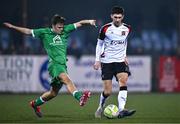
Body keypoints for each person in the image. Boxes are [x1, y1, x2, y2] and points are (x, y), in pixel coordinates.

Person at [4, 14, 96, 118]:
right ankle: (80, 97)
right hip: (54, 65)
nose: (61, 29)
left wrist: (89, 21)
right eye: (59, 27)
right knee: (66, 79)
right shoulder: (44, 32)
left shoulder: (65, 30)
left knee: (53, 93)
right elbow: (28, 31)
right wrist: (13, 27)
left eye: (62, 26)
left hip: (62, 65)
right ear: (53, 26)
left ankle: (35, 104)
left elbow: (79, 23)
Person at [93, 6, 136, 118]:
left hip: (120, 61)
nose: (117, 19)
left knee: (123, 81)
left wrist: (124, 55)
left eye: (119, 17)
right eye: (115, 17)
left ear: (123, 17)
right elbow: (99, 44)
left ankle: (122, 109)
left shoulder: (127, 28)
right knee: (107, 92)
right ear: (111, 16)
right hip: (107, 61)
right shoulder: (105, 28)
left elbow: (124, 42)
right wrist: (97, 60)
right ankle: (100, 106)